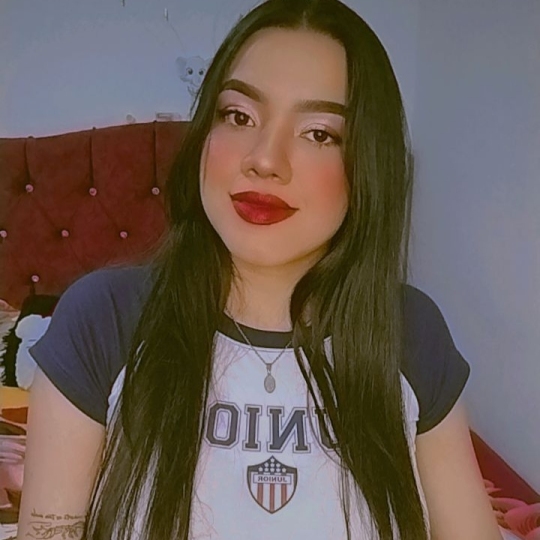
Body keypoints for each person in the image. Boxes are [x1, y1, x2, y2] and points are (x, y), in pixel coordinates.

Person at [17, 0, 503, 539]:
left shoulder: (409, 329)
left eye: (319, 133)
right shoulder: (104, 318)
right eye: (239, 116)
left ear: (367, 163)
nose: (265, 159)